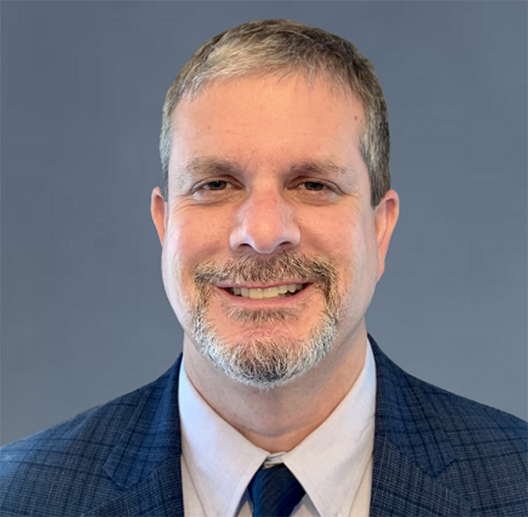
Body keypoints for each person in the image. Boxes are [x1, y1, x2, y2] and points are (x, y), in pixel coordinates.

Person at [1, 19, 526, 517]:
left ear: (380, 229)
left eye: (313, 184)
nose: (263, 232)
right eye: (215, 184)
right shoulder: (17, 498)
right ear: (165, 225)